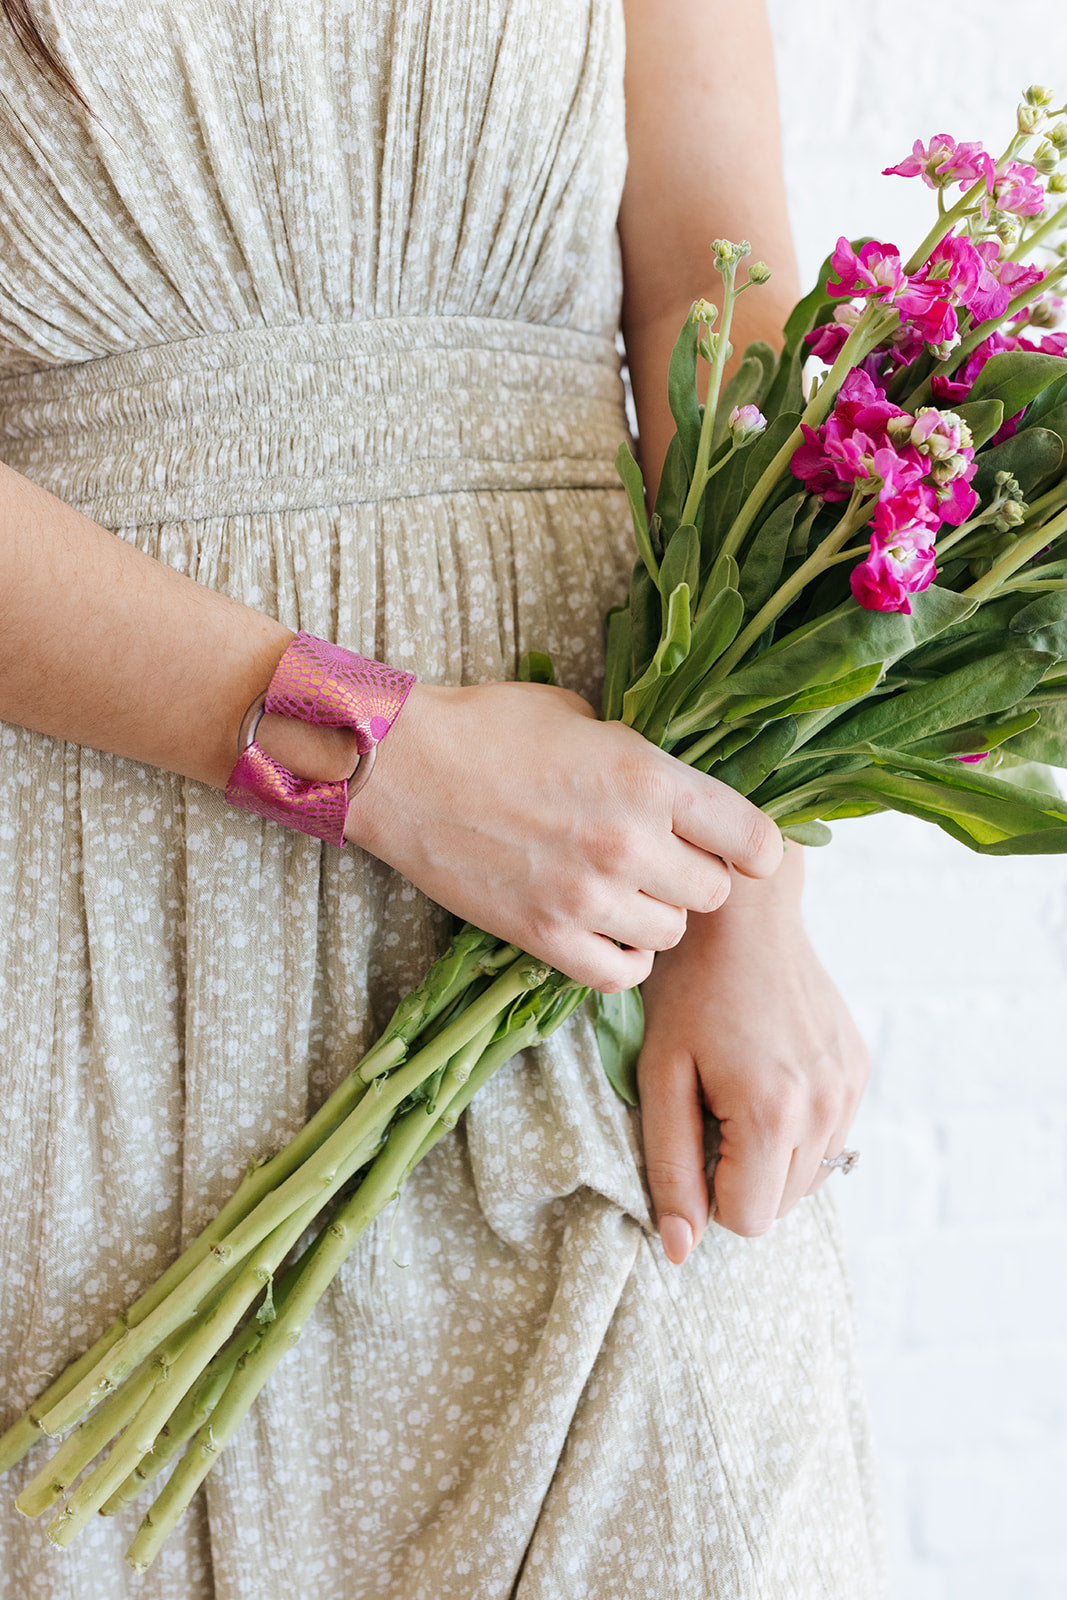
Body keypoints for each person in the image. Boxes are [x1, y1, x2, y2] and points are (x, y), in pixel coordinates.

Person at [0, 0, 884, 1594]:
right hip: (94, 969)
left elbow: (723, 293)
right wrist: (376, 755)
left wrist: (752, 884)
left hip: (606, 938)